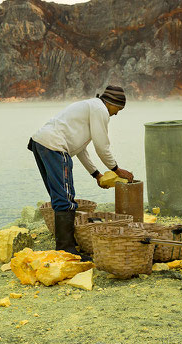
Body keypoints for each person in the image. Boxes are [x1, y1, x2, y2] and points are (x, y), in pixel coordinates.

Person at [27, 85, 134, 260]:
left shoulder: (90, 106)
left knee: (59, 196)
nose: (116, 114)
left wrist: (96, 174)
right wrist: (116, 169)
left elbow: (80, 149)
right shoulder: (100, 110)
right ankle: (66, 250)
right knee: (65, 198)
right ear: (111, 103)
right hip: (55, 146)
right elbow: (102, 146)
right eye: (118, 109)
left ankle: (64, 245)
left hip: (41, 142)